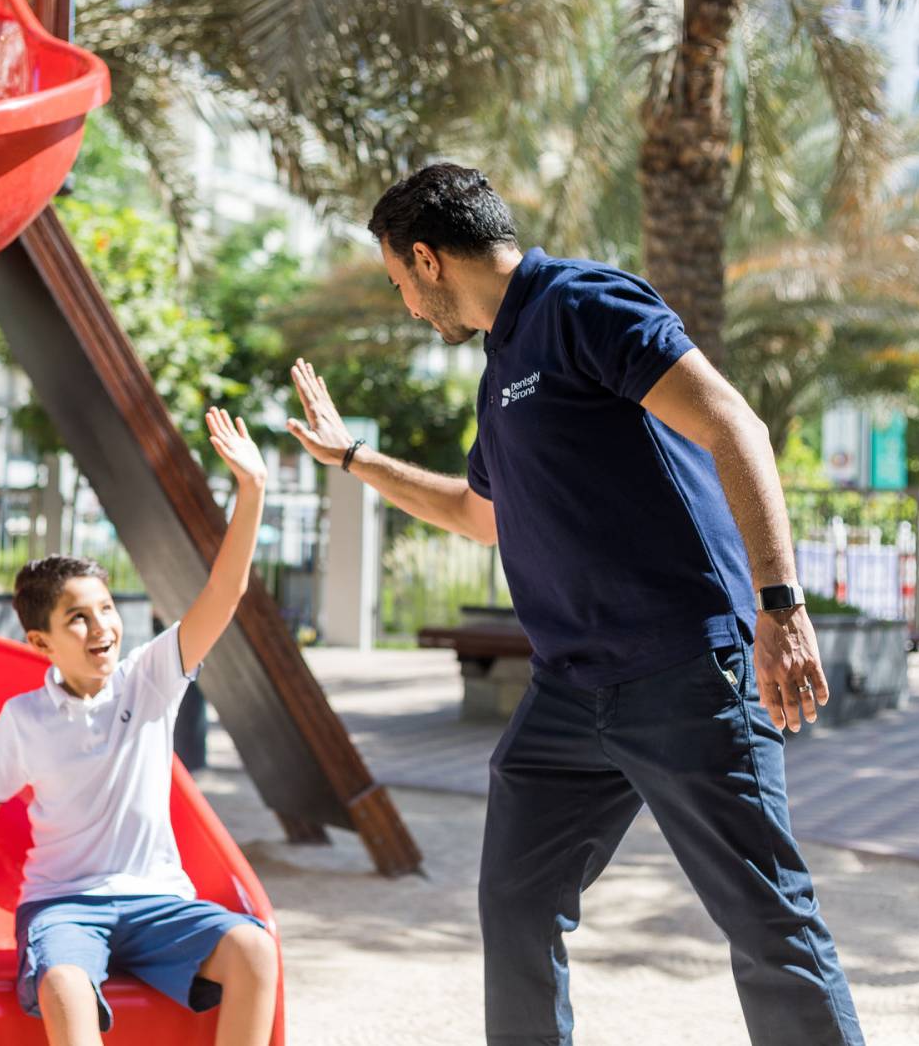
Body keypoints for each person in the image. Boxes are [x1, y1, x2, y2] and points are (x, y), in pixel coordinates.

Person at [285, 163, 863, 1046]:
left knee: (765, 919)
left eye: (400, 280)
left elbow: (733, 425)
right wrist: (353, 459)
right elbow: (477, 515)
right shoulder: (502, 366)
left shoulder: (581, 304)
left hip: (683, 673)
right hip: (568, 694)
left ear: (429, 259)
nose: (406, 305)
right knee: (516, 902)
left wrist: (779, 607)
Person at [0, 407, 279, 1046]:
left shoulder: (151, 679)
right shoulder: (24, 720)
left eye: (106, 609)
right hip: (64, 905)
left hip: (157, 901)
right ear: (41, 642)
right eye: (78, 618)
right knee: (63, 982)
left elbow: (225, 593)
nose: (101, 627)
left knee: (254, 949)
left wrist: (251, 491)